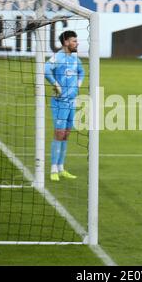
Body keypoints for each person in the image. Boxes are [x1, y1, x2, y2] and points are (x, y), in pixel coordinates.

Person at [45, 30, 85, 181]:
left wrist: (78, 84)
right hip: (60, 102)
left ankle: (61, 168)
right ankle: (53, 169)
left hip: (71, 102)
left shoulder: (75, 59)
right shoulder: (58, 57)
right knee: (59, 133)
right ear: (66, 42)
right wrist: (56, 85)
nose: (77, 43)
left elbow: (82, 72)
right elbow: (46, 69)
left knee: (67, 134)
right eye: (74, 41)